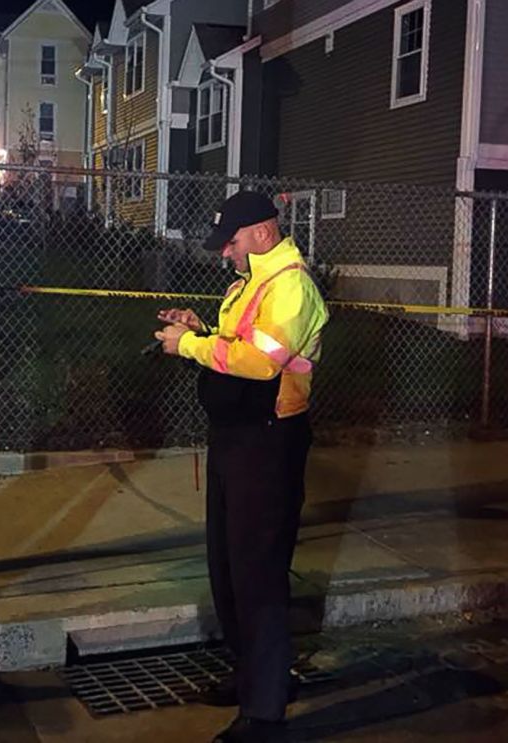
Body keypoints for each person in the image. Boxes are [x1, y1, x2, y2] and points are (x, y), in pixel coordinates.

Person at [154, 191, 328, 743]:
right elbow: (237, 345)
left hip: (268, 444)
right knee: (229, 569)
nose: (225, 253)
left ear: (261, 232)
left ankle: (265, 710)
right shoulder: (253, 282)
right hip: (237, 441)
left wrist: (189, 348)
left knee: (258, 576)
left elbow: (259, 362)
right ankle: (255, 674)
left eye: (231, 242)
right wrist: (201, 331)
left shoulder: (291, 285)